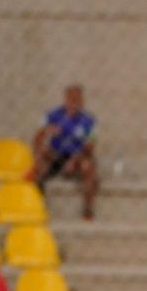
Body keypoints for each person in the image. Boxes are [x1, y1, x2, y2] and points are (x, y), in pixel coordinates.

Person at [30, 84, 99, 220]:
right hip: (56, 155)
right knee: (40, 165)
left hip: (77, 157)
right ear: (65, 99)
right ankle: (39, 205)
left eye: (78, 99)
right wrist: (45, 132)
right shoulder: (51, 116)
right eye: (71, 99)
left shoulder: (89, 121)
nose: (75, 102)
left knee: (89, 168)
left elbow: (91, 146)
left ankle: (88, 209)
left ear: (82, 101)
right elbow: (36, 140)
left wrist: (76, 157)